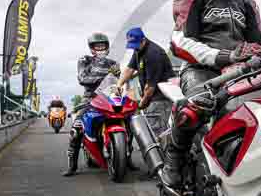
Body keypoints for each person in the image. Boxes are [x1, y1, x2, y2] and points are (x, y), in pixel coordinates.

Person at [159, 0, 261, 190]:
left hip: (240, 72)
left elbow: (257, 44)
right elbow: (180, 41)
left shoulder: (247, 2)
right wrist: (225, 56)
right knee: (197, 106)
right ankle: (173, 161)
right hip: (200, 70)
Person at [62, 32, 121, 176]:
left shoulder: (113, 63)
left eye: (102, 46)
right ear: (92, 48)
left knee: (129, 120)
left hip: (110, 97)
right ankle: (72, 166)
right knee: (76, 128)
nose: (100, 49)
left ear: (107, 47)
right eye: (97, 46)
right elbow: (83, 78)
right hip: (90, 98)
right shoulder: (85, 60)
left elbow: (120, 80)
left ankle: (126, 157)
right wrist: (105, 77)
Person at [117, 27, 176, 139]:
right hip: (151, 98)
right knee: (150, 130)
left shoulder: (153, 54)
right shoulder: (138, 50)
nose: (134, 48)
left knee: (157, 134)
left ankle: (163, 149)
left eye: (136, 45)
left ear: (143, 40)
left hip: (161, 99)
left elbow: (149, 88)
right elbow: (129, 69)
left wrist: (141, 105)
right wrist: (119, 84)